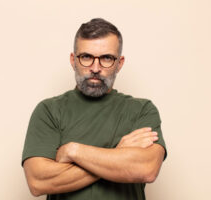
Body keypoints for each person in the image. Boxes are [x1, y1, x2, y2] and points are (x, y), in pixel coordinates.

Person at [21, 18, 167, 200]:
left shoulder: (142, 110)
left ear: (119, 63)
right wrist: (118, 156)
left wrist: (73, 151)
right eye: (86, 57)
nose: (95, 68)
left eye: (106, 58)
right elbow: (38, 182)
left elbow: (147, 169)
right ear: (73, 60)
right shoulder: (50, 110)